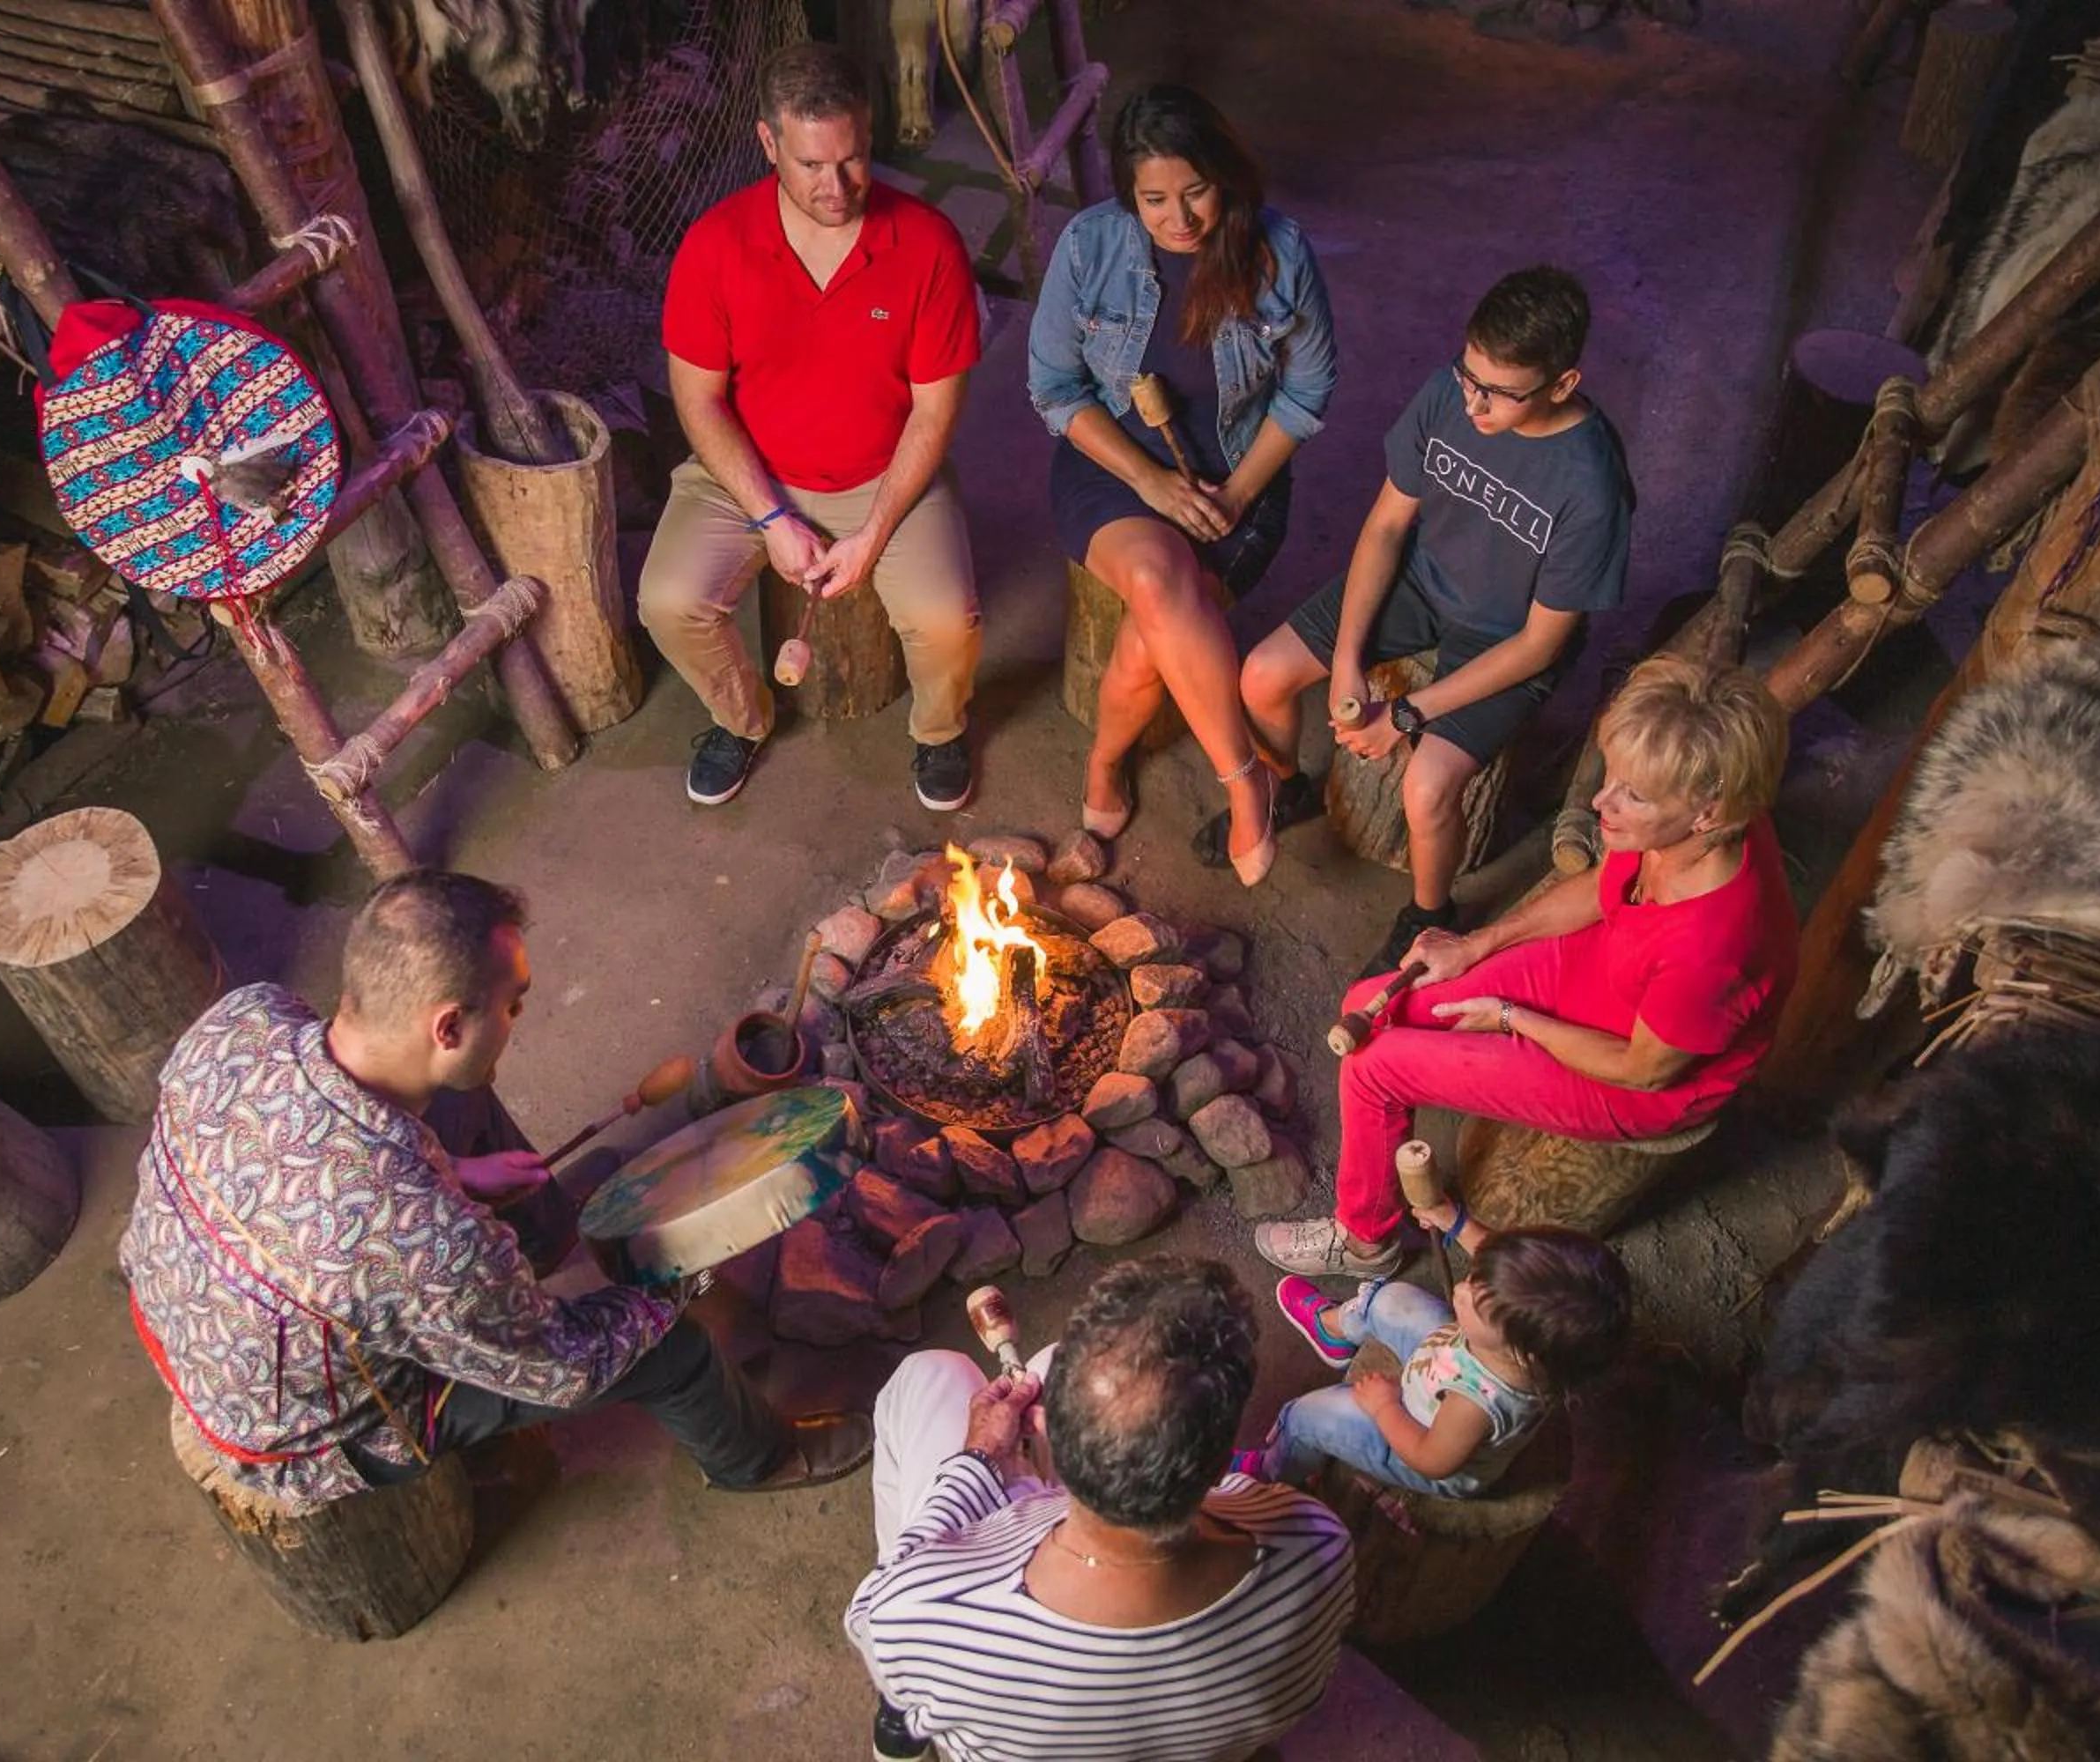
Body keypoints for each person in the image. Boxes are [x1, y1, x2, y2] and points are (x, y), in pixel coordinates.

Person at [120, 870, 873, 1514]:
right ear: (447, 1023)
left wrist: (454, 1174)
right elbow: (561, 1364)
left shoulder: (245, 1019)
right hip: (300, 1427)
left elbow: (329, 1171)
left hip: (207, 1288)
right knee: (665, 1352)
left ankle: (546, 1243)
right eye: (513, 1003)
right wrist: (671, 1287)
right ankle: (755, 1460)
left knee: (459, 1102)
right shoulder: (425, 1241)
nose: (518, 1019)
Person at [1257, 657, 1797, 1282]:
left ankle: (1364, 1238)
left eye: (1633, 795)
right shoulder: (1693, 827)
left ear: (1708, 813)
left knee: (1374, 1068)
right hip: (1606, 965)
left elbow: (1643, 1070)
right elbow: (1604, 887)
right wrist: (1478, 944)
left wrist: (1514, 1018)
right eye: (1612, 776)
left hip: (1630, 1069)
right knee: (1375, 1000)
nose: (1601, 801)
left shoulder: (1713, 945)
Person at [1219, 267, 1633, 967]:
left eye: (1500, 393)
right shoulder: (1449, 393)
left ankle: (1429, 911)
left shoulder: (1591, 486)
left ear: (1562, 385)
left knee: (1427, 783)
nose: (1474, 404)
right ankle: (1289, 788)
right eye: (1469, 377)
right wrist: (1349, 658)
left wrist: (1405, 715)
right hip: (1420, 581)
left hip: (1505, 637)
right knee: (1261, 675)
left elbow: (1540, 644)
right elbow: (1385, 528)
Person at [642, 42, 984, 812]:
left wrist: (875, 530)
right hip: (746, 479)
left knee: (947, 620)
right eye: (810, 165)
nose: (837, 187)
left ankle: (939, 731)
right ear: (768, 143)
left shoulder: (929, 245)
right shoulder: (715, 244)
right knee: (668, 599)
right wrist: (770, 515)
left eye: (855, 159)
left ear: (870, 133)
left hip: (882, 474)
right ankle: (742, 719)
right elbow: (698, 402)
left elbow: (935, 410)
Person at [846, 1257, 1354, 1762]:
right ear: (1223, 1462)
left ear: (1044, 1433)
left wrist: (978, 1461)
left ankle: (900, 1728)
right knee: (1048, 1361)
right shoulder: (1318, 1544)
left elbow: (874, 1620)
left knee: (932, 1372)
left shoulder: (922, 1617)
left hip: (990, 1580)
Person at [1025, 85, 1338, 884]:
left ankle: (1103, 763)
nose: (1180, 219)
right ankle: (1245, 785)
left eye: (1195, 191)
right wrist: (1152, 481)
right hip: (1113, 470)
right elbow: (1057, 390)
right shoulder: (1091, 247)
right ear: (1129, 193)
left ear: (1224, 175)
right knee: (1163, 583)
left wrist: (1232, 498)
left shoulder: (1277, 253)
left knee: (1153, 621)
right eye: (1155, 199)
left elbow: (1305, 397)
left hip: (1241, 479)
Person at [1237, 1224, 1630, 1496]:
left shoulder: (1476, 1402)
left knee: (1308, 1417)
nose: (1461, 1289)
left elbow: (1431, 1459)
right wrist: (1450, 1218)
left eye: (1475, 1299)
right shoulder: (1531, 1340)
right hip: (1440, 1362)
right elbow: (1495, 1258)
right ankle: (1336, 1332)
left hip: (1419, 1432)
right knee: (1389, 1299)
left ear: (1518, 1350)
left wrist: (1385, 1406)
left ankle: (1273, 1471)